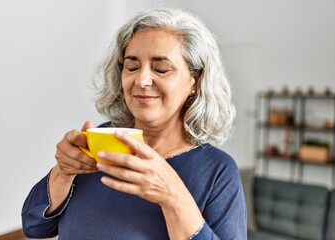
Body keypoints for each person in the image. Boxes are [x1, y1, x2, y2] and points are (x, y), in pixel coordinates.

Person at [21, 7, 246, 240]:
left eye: (161, 69)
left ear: (194, 81)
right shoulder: (97, 142)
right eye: (132, 67)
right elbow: (34, 225)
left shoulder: (217, 172)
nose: (142, 79)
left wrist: (172, 197)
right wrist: (63, 172)